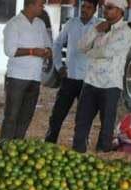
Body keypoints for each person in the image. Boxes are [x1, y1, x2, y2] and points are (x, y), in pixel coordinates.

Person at [72, 0, 131, 153]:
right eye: (105, 8)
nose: (106, 11)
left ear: (120, 11)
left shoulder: (125, 32)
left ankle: (102, 157)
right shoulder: (99, 27)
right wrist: (95, 31)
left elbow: (107, 52)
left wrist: (90, 54)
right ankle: (78, 154)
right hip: (90, 82)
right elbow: (80, 46)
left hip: (110, 85)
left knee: (107, 126)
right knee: (81, 122)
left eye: (110, 8)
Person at [44, 0, 96, 143]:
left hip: (88, 80)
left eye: (89, 7)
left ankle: (79, 145)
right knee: (57, 114)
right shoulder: (71, 23)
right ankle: (49, 141)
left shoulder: (99, 27)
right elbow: (58, 44)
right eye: (83, 7)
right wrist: (59, 65)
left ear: (95, 10)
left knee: (84, 116)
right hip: (69, 77)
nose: (85, 10)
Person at [0, 0, 51, 140]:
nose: (43, 7)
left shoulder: (40, 24)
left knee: (26, 116)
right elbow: (9, 51)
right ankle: (4, 147)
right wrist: (32, 51)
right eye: (40, 4)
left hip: (35, 77)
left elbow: (48, 45)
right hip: (17, 76)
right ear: (30, 5)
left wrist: (47, 52)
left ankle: (18, 145)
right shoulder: (13, 24)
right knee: (11, 115)